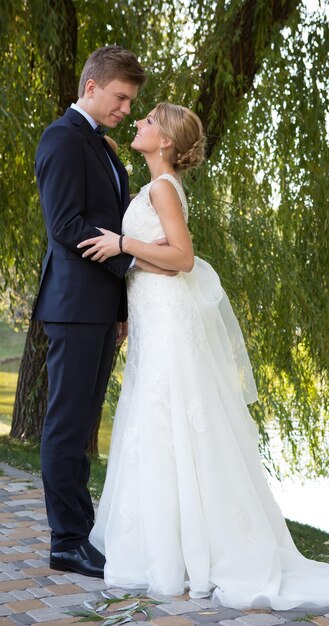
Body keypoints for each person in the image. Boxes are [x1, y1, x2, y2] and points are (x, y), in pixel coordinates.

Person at [78, 103, 329, 611]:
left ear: (166, 141)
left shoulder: (164, 189)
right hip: (156, 315)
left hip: (171, 320)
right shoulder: (153, 187)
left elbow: (182, 257)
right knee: (157, 423)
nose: (139, 124)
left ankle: (190, 551)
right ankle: (166, 544)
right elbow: (164, 261)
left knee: (172, 420)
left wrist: (122, 242)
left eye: (148, 121)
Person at [33, 45, 150, 579]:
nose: (126, 109)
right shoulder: (63, 138)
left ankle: (81, 528)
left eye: (130, 101)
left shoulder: (102, 146)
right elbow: (65, 224)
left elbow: (107, 224)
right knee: (66, 425)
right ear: (92, 88)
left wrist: (122, 307)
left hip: (101, 309)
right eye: (121, 98)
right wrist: (129, 256)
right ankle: (67, 540)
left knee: (83, 427)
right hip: (75, 306)